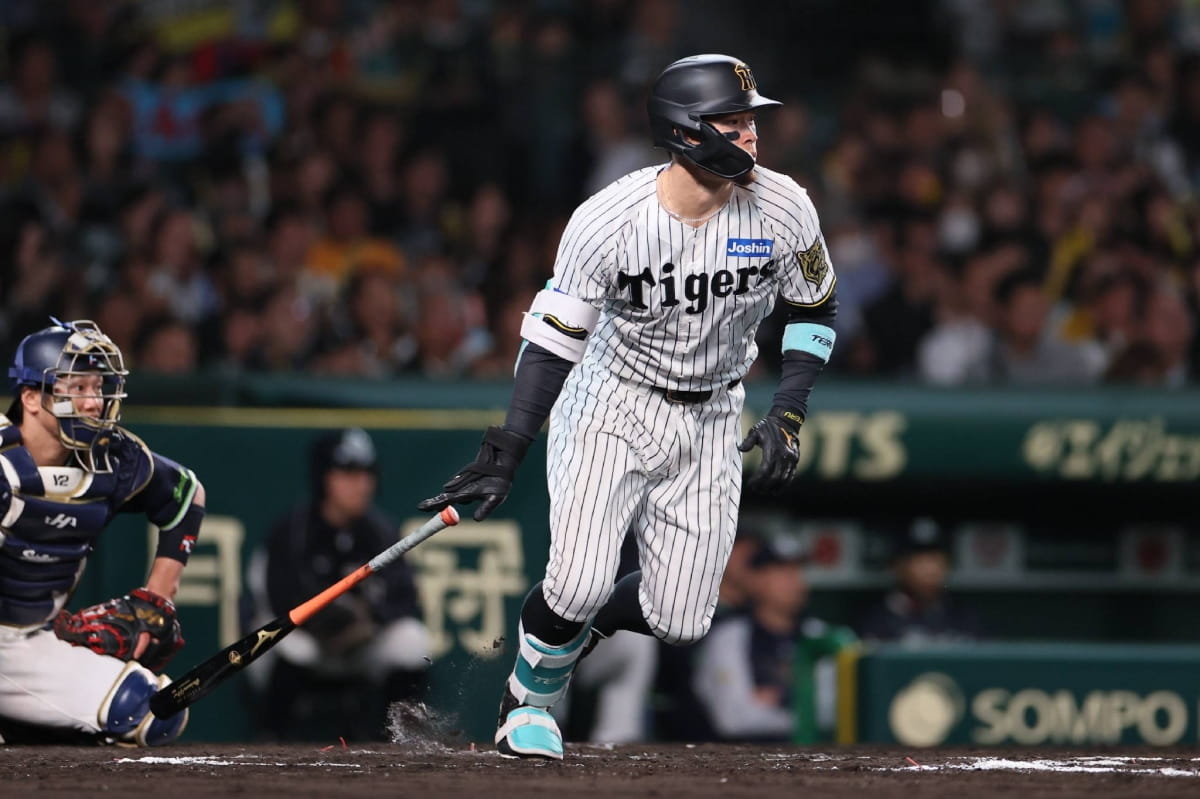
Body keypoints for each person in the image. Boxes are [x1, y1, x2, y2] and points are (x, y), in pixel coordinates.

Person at [419, 54, 839, 760]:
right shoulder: (609, 220)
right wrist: (509, 446)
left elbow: (815, 304)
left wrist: (789, 410)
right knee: (579, 581)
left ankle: (559, 635)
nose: (751, 134)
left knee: (682, 618)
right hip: (611, 400)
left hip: (712, 413)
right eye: (733, 122)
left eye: (750, 120)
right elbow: (552, 342)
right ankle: (530, 694)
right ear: (685, 131)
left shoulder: (784, 205)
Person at [0, 318, 204, 746]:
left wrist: (158, 597)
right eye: (77, 388)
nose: (94, 402)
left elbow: (186, 494)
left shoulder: (114, 461)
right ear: (32, 397)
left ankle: (25, 723)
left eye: (98, 387)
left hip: (20, 644)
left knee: (152, 709)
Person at [245, 427, 430, 741]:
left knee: (412, 641)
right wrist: (335, 620)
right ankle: (272, 734)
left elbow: (407, 600)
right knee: (285, 642)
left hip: (359, 646)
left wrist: (371, 617)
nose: (360, 484)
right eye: (347, 473)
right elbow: (280, 601)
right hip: (308, 642)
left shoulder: (381, 533)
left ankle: (391, 740)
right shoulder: (291, 531)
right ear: (323, 478)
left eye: (366, 473)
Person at [692, 537, 855, 743]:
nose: (794, 580)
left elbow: (840, 715)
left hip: (821, 758)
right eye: (781, 571)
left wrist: (769, 702)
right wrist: (802, 710)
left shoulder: (821, 636)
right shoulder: (729, 636)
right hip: (745, 761)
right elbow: (732, 720)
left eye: (798, 570)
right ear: (755, 579)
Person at [857, 518, 985, 644]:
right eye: (919, 560)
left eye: (934, 559)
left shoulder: (964, 616)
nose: (929, 569)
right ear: (898, 566)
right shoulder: (877, 620)